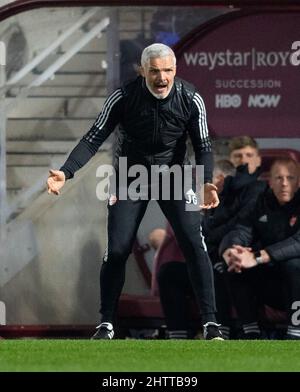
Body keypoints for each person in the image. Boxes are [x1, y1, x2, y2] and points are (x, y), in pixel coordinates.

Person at [47, 43, 223, 340]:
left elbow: (203, 145)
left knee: (195, 243)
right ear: (143, 71)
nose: (162, 77)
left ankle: (210, 324)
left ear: (175, 70)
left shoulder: (191, 98)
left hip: (176, 174)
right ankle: (106, 323)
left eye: (168, 70)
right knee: (117, 250)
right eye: (154, 71)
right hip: (131, 174)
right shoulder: (124, 96)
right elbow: (93, 137)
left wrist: (205, 182)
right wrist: (66, 172)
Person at [220, 158, 300, 339]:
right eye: (279, 178)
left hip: (296, 283)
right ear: (270, 182)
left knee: (295, 265)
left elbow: (297, 242)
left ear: (299, 182)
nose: (284, 184)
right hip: (274, 284)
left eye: (291, 178)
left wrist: (257, 257)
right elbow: (240, 230)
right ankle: (251, 332)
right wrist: (231, 251)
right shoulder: (260, 202)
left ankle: (296, 332)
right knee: (234, 265)